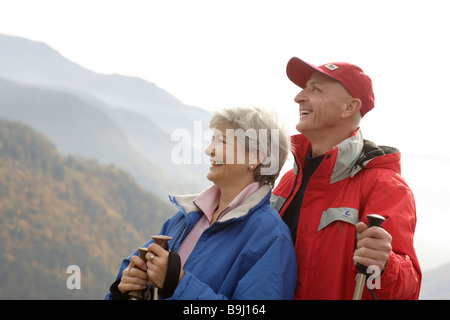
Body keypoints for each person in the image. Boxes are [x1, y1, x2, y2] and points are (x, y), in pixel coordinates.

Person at [105, 106, 297, 300]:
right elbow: (130, 272)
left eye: (222, 141)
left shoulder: (271, 238)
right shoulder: (186, 216)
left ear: (255, 157)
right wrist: (122, 290)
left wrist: (178, 285)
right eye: (212, 140)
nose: (209, 150)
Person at [271, 57, 422, 299]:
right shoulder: (289, 180)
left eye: (315, 88)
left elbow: (408, 287)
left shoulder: (386, 186)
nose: (299, 97)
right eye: (304, 88)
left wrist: (384, 265)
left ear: (349, 107)